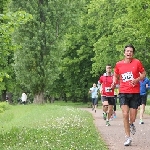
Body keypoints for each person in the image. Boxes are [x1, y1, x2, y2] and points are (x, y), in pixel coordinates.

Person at [111, 44, 146, 146]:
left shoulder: (137, 62)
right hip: (123, 92)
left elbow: (144, 74)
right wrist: (114, 82)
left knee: (133, 117)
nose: (129, 53)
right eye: (127, 51)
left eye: (131, 51)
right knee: (125, 114)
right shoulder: (119, 64)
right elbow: (116, 75)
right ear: (124, 52)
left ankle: (131, 124)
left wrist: (137, 79)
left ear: (133, 53)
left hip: (135, 92)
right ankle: (128, 137)